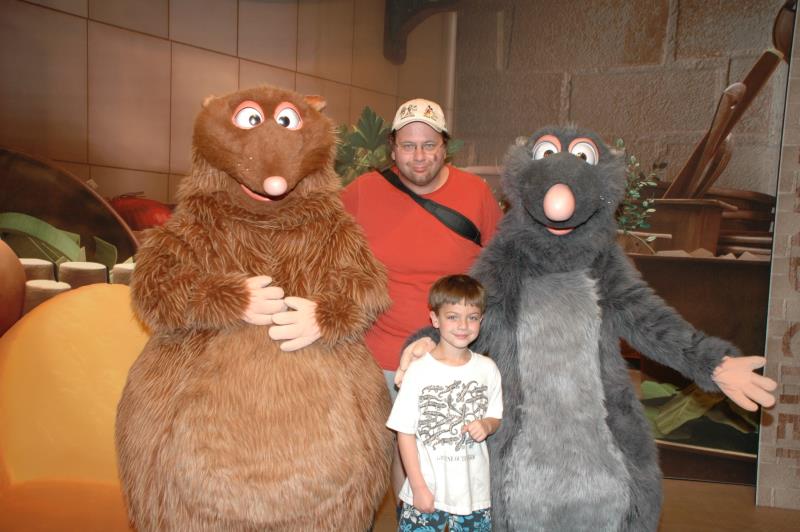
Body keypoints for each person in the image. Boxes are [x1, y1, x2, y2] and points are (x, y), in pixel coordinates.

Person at [341, 98, 503, 499]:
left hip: (454, 355)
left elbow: (504, 266)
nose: (418, 156)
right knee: (386, 454)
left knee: (449, 455)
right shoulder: (363, 192)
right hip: (379, 358)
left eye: (429, 145)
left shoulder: (475, 193)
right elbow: (320, 246)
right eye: (409, 146)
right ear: (393, 148)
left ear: (444, 147)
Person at [386, 274, 502, 531]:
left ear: (481, 320)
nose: (463, 325)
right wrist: (418, 487)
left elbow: (496, 417)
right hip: (426, 492)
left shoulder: (488, 369)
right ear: (435, 319)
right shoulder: (418, 371)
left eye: (472, 317)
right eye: (452, 316)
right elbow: (405, 433)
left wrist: (487, 425)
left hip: (474, 496)